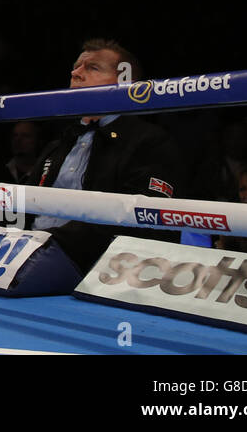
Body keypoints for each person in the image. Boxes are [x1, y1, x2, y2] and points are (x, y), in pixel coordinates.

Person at [26, 40, 184, 271]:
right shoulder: (59, 144)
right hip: (31, 249)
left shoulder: (150, 142)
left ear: (124, 82)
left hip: (94, 266)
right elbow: (25, 206)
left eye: (92, 68)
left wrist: (46, 242)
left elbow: (139, 221)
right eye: (76, 67)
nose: (76, 73)